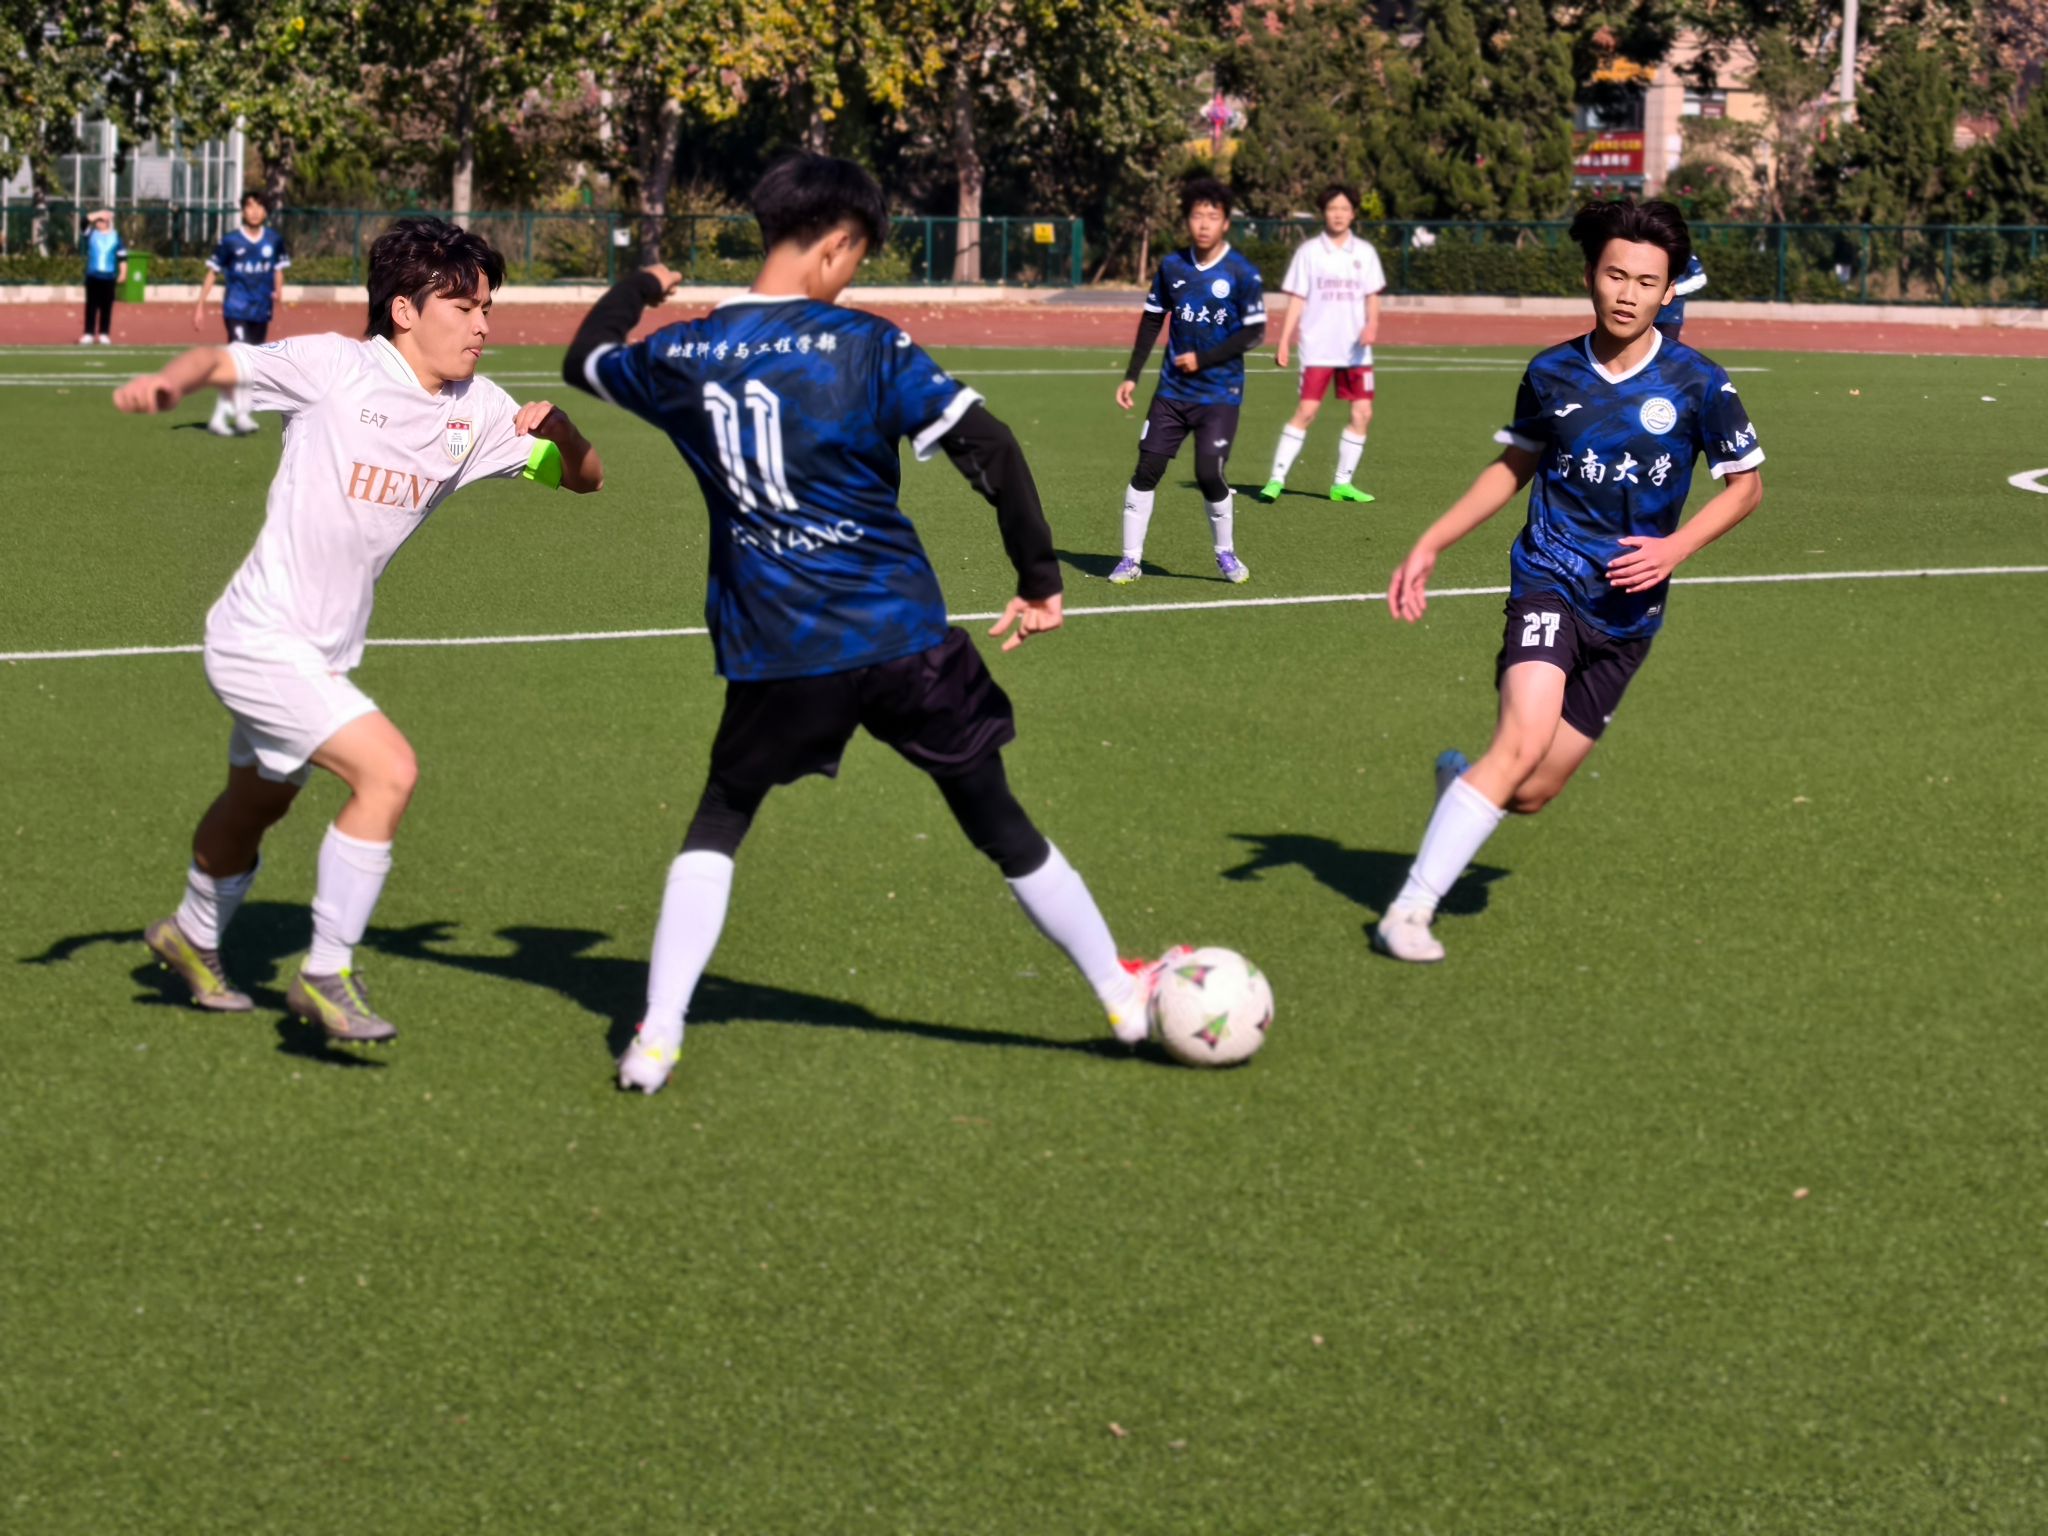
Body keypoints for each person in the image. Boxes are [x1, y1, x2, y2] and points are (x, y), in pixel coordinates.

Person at [561, 153, 1165, 1095]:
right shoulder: (867, 345)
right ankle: (1120, 996)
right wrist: (1040, 579)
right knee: (998, 820)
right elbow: (990, 447)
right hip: (899, 635)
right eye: (857, 258)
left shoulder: (685, 352)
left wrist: (640, 285)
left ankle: (658, 1036)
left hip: (778, 647)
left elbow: (584, 360)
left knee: (721, 819)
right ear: (836, 245)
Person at [116, 218, 604, 1042]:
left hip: (323, 653)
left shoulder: (481, 410)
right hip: (259, 635)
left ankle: (191, 933)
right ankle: (326, 973)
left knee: (258, 802)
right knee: (389, 773)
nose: (483, 325)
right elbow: (221, 362)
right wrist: (170, 382)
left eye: (487, 309)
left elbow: (587, 481)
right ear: (405, 311)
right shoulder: (335, 368)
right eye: (464, 308)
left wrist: (562, 431)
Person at [1373, 199, 1764, 964]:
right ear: (1590, 274)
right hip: (1548, 581)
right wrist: (1432, 540)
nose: (1627, 293)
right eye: (1615, 274)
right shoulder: (1551, 372)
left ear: (1668, 291)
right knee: (1520, 741)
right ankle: (1409, 911)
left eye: (1646, 282)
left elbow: (1746, 487)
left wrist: (1675, 548)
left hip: (1630, 616)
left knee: (1531, 792)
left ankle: (1463, 781)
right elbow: (1514, 466)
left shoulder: (1699, 383)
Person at [1108, 177, 1266, 585]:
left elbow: (1254, 332)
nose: (1204, 223)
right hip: (1172, 392)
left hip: (1220, 395)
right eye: (1197, 215)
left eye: (1213, 216)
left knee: (1208, 474)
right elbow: (1152, 320)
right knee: (1147, 469)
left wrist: (1205, 359)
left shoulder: (1242, 272)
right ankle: (1130, 559)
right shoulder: (1172, 267)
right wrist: (1131, 376)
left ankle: (1225, 553)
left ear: (1225, 223)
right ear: (1187, 221)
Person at [1259, 184, 1386, 505]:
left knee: (1363, 413)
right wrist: (1284, 340)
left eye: (1344, 209)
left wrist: (1372, 324)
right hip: (1318, 348)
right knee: (1307, 411)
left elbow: (1372, 296)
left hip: (1356, 351)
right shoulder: (1309, 252)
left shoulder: (1365, 253)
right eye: (1332, 209)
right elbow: (1298, 299)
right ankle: (1276, 479)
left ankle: (1342, 484)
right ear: (1324, 213)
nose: (1338, 214)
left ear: (1353, 214)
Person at [194, 191, 291, 436]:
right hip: (236, 309)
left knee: (252, 365)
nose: (255, 211)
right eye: (250, 206)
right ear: (243, 210)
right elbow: (212, 272)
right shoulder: (230, 241)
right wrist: (200, 305)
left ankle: (235, 414)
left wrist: (279, 291)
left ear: (266, 211)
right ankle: (226, 416)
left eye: (260, 206)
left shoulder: (274, 240)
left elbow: (278, 270)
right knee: (238, 361)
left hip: (261, 310)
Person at [80, 209, 127, 345]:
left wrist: (123, 272)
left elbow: (122, 257)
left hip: (109, 277)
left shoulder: (116, 237)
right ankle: (89, 333)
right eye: (98, 220)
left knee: (106, 307)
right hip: (93, 276)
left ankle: (104, 333)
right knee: (91, 306)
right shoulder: (91, 234)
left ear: (108, 222)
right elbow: (83, 222)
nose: (99, 222)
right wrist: (98, 213)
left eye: (102, 220)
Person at [1655, 251, 1708, 343]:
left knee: (1668, 349)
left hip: (1671, 314)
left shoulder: (1684, 253)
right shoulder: (1647, 249)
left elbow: (1700, 279)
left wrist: (1675, 290)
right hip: (1646, 312)